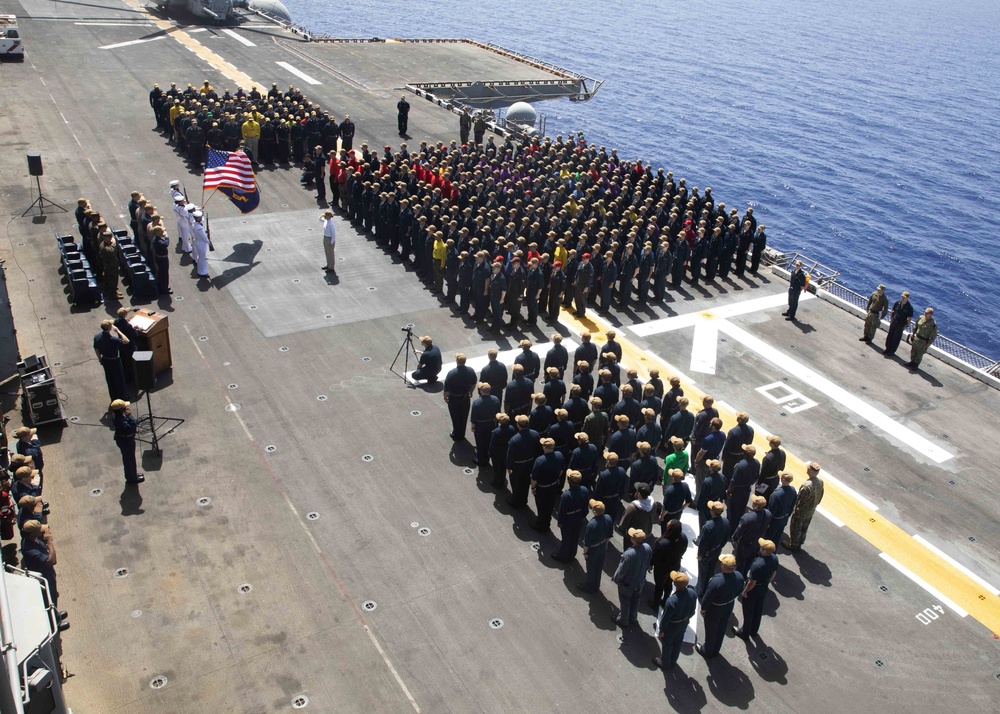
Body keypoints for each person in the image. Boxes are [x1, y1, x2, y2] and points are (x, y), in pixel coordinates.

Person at [697, 554, 745, 658]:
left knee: (711, 630)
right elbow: (740, 590)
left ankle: (707, 650)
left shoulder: (716, 581)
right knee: (721, 628)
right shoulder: (739, 576)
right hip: (728, 605)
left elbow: (707, 597)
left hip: (715, 608)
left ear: (723, 566)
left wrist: (703, 608)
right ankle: (715, 650)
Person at [734, 539, 779, 640]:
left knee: (748, 611)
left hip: (753, 590)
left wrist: (745, 591)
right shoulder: (775, 558)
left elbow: (751, 582)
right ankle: (754, 631)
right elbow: (773, 574)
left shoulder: (757, 564)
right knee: (758, 609)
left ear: (763, 550)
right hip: (763, 588)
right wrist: (766, 582)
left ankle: (744, 632)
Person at [654, 571, 697, 670]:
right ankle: (673, 661)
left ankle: (665, 663)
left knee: (668, 644)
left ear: (675, 584)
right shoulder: (692, 593)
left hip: (672, 626)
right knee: (678, 642)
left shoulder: (671, 601)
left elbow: (665, 618)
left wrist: (662, 629)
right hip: (683, 623)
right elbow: (692, 612)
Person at [612, 528, 653, 629]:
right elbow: (648, 561)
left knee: (625, 601)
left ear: (634, 540)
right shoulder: (647, 548)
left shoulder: (629, 554)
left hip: (628, 583)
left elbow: (621, 571)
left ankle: (623, 620)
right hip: (640, 581)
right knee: (636, 599)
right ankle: (633, 617)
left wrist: (616, 579)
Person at [785, 461, 824, 551]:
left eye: (808, 469)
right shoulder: (820, 482)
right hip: (811, 510)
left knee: (796, 527)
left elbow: (800, 500)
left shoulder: (806, 486)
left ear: (810, 471)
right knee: (804, 527)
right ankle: (800, 541)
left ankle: (793, 545)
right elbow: (820, 495)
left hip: (802, 511)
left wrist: (796, 511)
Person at [553, 470, 590, 562]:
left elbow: (562, 510)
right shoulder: (584, 490)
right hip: (578, 517)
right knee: (575, 537)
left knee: (566, 539)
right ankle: (572, 554)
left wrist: (560, 522)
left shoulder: (567, 495)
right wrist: (583, 516)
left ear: (569, 481)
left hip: (568, 519)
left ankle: (563, 556)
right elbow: (586, 506)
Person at [578, 499, 614, 593]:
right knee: (598, 567)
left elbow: (587, 542)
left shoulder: (591, 524)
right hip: (602, 546)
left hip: (593, 549)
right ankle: (596, 586)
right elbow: (609, 535)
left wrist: (585, 552)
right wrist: (605, 545)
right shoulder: (608, 518)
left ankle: (589, 587)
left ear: (594, 511)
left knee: (591, 568)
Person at [650, 519, 687, 608]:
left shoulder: (662, 543)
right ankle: (665, 600)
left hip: (662, 568)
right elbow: (683, 551)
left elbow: (655, 556)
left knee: (659, 586)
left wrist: (650, 564)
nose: (667, 523)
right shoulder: (683, 538)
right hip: (675, 565)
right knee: (669, 583)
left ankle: (655, 604)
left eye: (668, 524)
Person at [731, 495, 771, 576]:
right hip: (757, 543)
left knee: (740, 564)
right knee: (750, 562)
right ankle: (745, 575)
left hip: (745, 545)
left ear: (756, 506)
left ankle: (739, 578)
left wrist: (734, 538)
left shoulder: (747, 518)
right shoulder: (768, 514)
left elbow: (738, 532)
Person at [506, 415, 541, 508]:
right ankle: (523, 500)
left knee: (516, 484)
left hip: (517, 466)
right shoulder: (535, 434)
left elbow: (510, 455)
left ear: (518, 425)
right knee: (525, 483)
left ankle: (515, 501)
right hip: (530, 463)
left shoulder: (514, 439)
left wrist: (508, 466)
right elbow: (538, 450)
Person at [697, 501, 730, 598]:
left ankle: (699, 590)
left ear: (712, 512)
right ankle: (707, 586)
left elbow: (703, 543)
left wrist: (700, 555)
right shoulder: (725, 522)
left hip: (707, 552)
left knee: (703, 571)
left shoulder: (708, 526)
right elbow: (726, 538)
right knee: (711, 570)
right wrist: (719, 547)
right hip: (717, 550)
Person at [20, 520, 58, 605]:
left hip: (49, 573)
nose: (42, 531)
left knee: (53, 593)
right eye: (39, 530)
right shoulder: (29, 549)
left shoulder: (32, 539)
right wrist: (50, 542)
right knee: (50, 600)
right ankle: (54, 616)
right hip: (44, 579)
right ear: (32, 534)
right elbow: (52, 561)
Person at [443, 354, 478, 441]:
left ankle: (456, 433)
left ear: (457, 362)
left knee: (455, 416)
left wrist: (445, 397)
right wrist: (470, 391)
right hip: (465, 397)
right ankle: (462, 433)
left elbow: (446, 390)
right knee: (464, 416)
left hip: (454, 398)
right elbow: (474, 383)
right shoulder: (470, 371)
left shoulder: (451, 373)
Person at [94, 319, 129, 403]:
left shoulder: (97, 336)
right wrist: (118, 331)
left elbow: (96, 349)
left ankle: (113, 398)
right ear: (110, 328)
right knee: (119, 379)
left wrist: (100, 359)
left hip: (105, 360)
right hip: (115, 361)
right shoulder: (113, 339)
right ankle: (123, 397)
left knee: (110, 379)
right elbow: (126, 341)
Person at [111, 399, 144, 484]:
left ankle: (132, 475)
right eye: (124, 407)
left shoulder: (117, 415)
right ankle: (132, 479)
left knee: (128, 459)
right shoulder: (121, 421)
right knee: (129, 460)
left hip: (122, 440)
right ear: (120, 409)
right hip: (126, 441)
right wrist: (130, 416)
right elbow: (132, 425)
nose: (126, 407)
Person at [470, 384, 501, 467]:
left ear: (481, 391)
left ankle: (481, 460)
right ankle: (487, 458)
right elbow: (498, 413)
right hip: (491, 424)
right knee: (488, 442)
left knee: (480, 443)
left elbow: (473, 417)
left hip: (480, 425)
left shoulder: (477, 402)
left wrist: (473, 427)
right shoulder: (495, 399)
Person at [727, 444, 760, 519]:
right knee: (742, 507)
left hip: (737, 491)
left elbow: (733, 481)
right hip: (747, 488)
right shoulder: (757, 463)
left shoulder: (740, 466)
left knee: (733, 510)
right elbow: (756, 477)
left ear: (745, 453)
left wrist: (729, 491)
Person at [765, 472, 798, 542]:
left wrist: (766, 522)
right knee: (777, 538)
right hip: (784, 518)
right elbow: (792, 505)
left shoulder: (776, 494)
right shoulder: (793, 490)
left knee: (768, 538)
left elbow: (771, 511)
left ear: (783, 480)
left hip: (774, 521)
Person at [489, 414, 516, 490]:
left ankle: (497, 482)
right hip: (506, 452)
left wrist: (490, 453)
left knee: (497, 468)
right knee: (503, 468)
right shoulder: (512, 428)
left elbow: (493, 444)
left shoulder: (497, 431)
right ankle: (502, 480)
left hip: (497, 453)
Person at [696, 460, 727, 528]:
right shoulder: (722, 477)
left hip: (706, 506)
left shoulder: (707, 481)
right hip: (716, 503)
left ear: (711, 468)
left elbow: (702, 496)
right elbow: (723, 491)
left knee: (703, 525)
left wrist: (699, 507)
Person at [883, 291, 913, 356]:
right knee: (890, 336)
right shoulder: (897, 303)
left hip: (900, 324)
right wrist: (891, 319)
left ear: (907, 298)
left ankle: (892, 351)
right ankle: (887, 349)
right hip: (894, 321)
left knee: (896, 338)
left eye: (904, 297)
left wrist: (907, 325)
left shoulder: (909, 307)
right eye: (902, 297)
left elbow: (909, 318)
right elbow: (892, 311)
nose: (902, 298)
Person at [756, 436, 786, 501]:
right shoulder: (782, 453)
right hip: (775, 480)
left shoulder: (768, 458)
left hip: (766, 482)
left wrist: (759, 483)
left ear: (771, 444)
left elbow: (763, 473)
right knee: (769, 497)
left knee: (759, 497)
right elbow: (782, 467)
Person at [191, 210, 211, 278]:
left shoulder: (195, 223)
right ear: (197, 218)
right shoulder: (199, 227)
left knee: (201, 257)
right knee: (202, 258)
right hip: (201, 243)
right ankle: (202, 272)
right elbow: (204, 237)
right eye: (200, 217)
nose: (201, 218)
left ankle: (201, 271)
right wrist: (209, 242)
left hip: (198, 241)